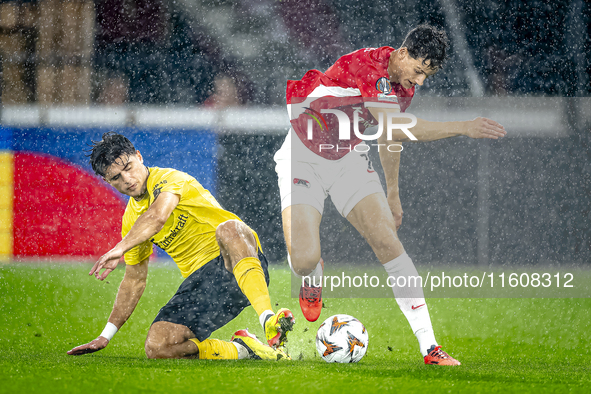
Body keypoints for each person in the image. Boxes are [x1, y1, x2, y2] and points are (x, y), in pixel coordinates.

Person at [274, 24, 506, 366]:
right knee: (303, 260)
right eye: (419, 70)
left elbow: (387, 136)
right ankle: (312, 275)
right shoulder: (370, 67)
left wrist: (392, 193)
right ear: (402, 54)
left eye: (428, 75)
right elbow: (397, 127)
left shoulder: (402, 85)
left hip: (348, 159)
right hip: (303, 157)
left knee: (389, 245)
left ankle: (430, 348)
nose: (421, 81)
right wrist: (462, 126)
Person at [67, 132, 295, 360]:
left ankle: (268, 319)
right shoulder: (132, 223)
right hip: (205, 287)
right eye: (116, 177)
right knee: (158, 348)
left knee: (229, 228)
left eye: (128, 167)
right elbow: (134, 280)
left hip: (236, 260)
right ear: (108, 181)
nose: (126, 179)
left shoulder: (168, 178)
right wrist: (105, 335)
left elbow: (157, 216)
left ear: (139, 156)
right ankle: (245, 349)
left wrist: (120, 248)